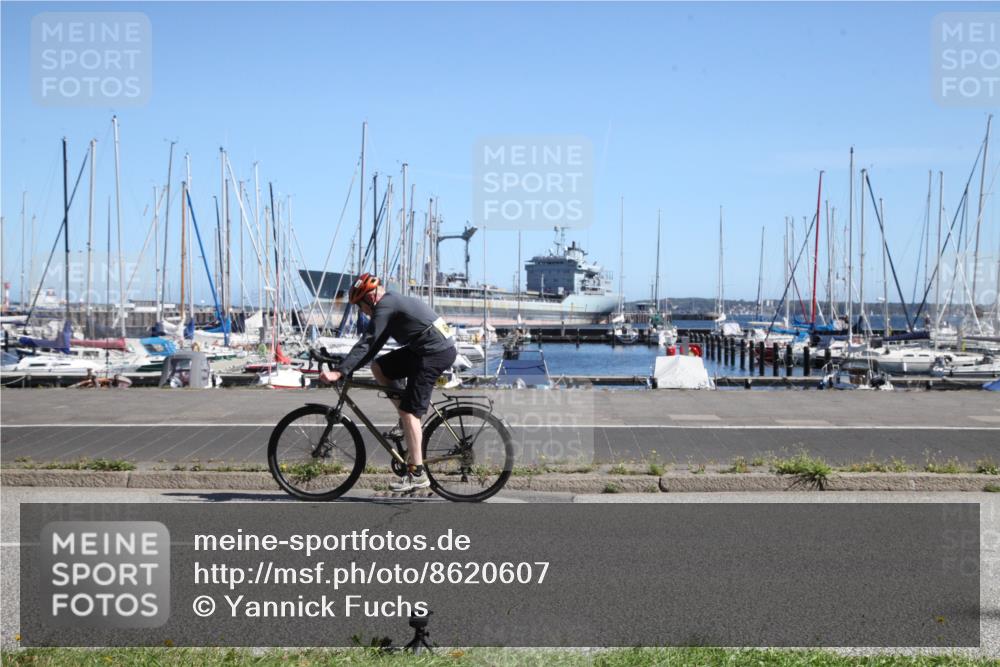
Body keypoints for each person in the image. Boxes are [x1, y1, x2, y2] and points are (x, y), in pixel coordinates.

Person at [318, 273, 457, 492]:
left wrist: (339, 372)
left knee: (410, 413)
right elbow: (372, 346)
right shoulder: (388, 305)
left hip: (434, 353)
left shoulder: (385, 306)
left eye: (360, 305)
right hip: (424, 348)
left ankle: (418, 474)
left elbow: (368, 342)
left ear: (370, 298)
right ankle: (405, 418)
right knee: (379, 367)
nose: (361, 311)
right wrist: (346, 367)